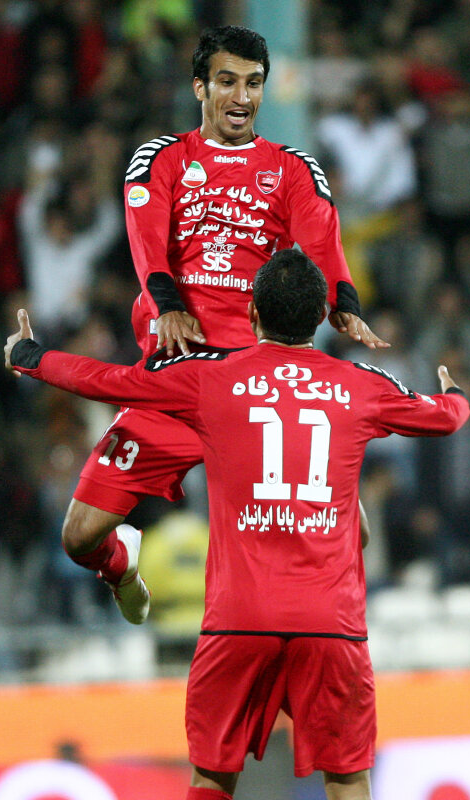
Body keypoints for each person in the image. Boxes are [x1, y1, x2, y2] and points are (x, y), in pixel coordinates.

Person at [6, 249, 469, 800]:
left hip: (239, 619)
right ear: (321, 318)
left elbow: (111, 381)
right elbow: (445, 418)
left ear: (251, 314)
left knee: (211, 779)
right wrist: (455, 393)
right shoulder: (361, 383)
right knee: (348, 779)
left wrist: (31, 356)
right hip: (331, 621)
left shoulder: (210, 378)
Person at [61, 25, 387, 625]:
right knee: (80, 536)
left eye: (254, 83)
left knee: (354, 535)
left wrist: (345, 301)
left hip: (255, 385)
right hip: (178, 376)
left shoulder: (291, 168)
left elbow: (324, 239)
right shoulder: (161, 157)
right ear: (200, 87)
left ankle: (306, 626)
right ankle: (122, 565)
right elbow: (145, 241)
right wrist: (167, 304)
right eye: (228, 82)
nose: (242, 97)